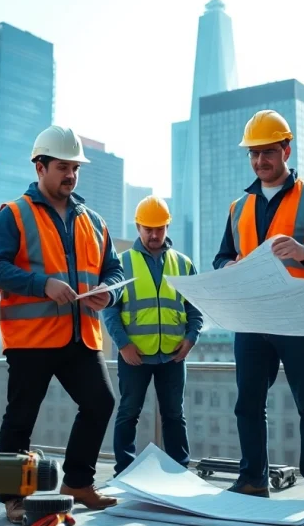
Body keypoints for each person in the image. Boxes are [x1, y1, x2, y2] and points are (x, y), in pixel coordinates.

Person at [212, 110, 304, 501]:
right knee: (248, 404)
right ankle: (253, 479)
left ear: (286, 150)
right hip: (252, 319)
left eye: (269, 152)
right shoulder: (238, 207)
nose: (261, 161)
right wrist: (230, 266)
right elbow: (222, 257)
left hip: (298, 317)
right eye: (254, 154)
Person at [0, 125, 124, 524]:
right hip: (32, 338)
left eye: (75, 168)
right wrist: (41, 284)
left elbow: (113, 269)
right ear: (40, 166)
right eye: (63, 167)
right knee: (21, 417)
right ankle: (13, 498)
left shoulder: (93, 220)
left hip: (81, 334)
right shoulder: (14, 214)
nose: (71, 175)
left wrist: (108, 292)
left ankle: (77, 482)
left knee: (100, 402)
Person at [103, 195, 203, 476]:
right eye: (149, 228)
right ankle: (124, 470)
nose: (154, 234)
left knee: (174, 415)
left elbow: (194, 308)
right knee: (128, 413)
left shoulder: (183, 264)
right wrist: (123, 345)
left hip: (173, 355)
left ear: (167, 227)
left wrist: (191, 338)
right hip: (135, 355)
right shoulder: (121, 264)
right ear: (138, 227)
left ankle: (179, 471)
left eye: (160, 228)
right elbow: (110, 310)